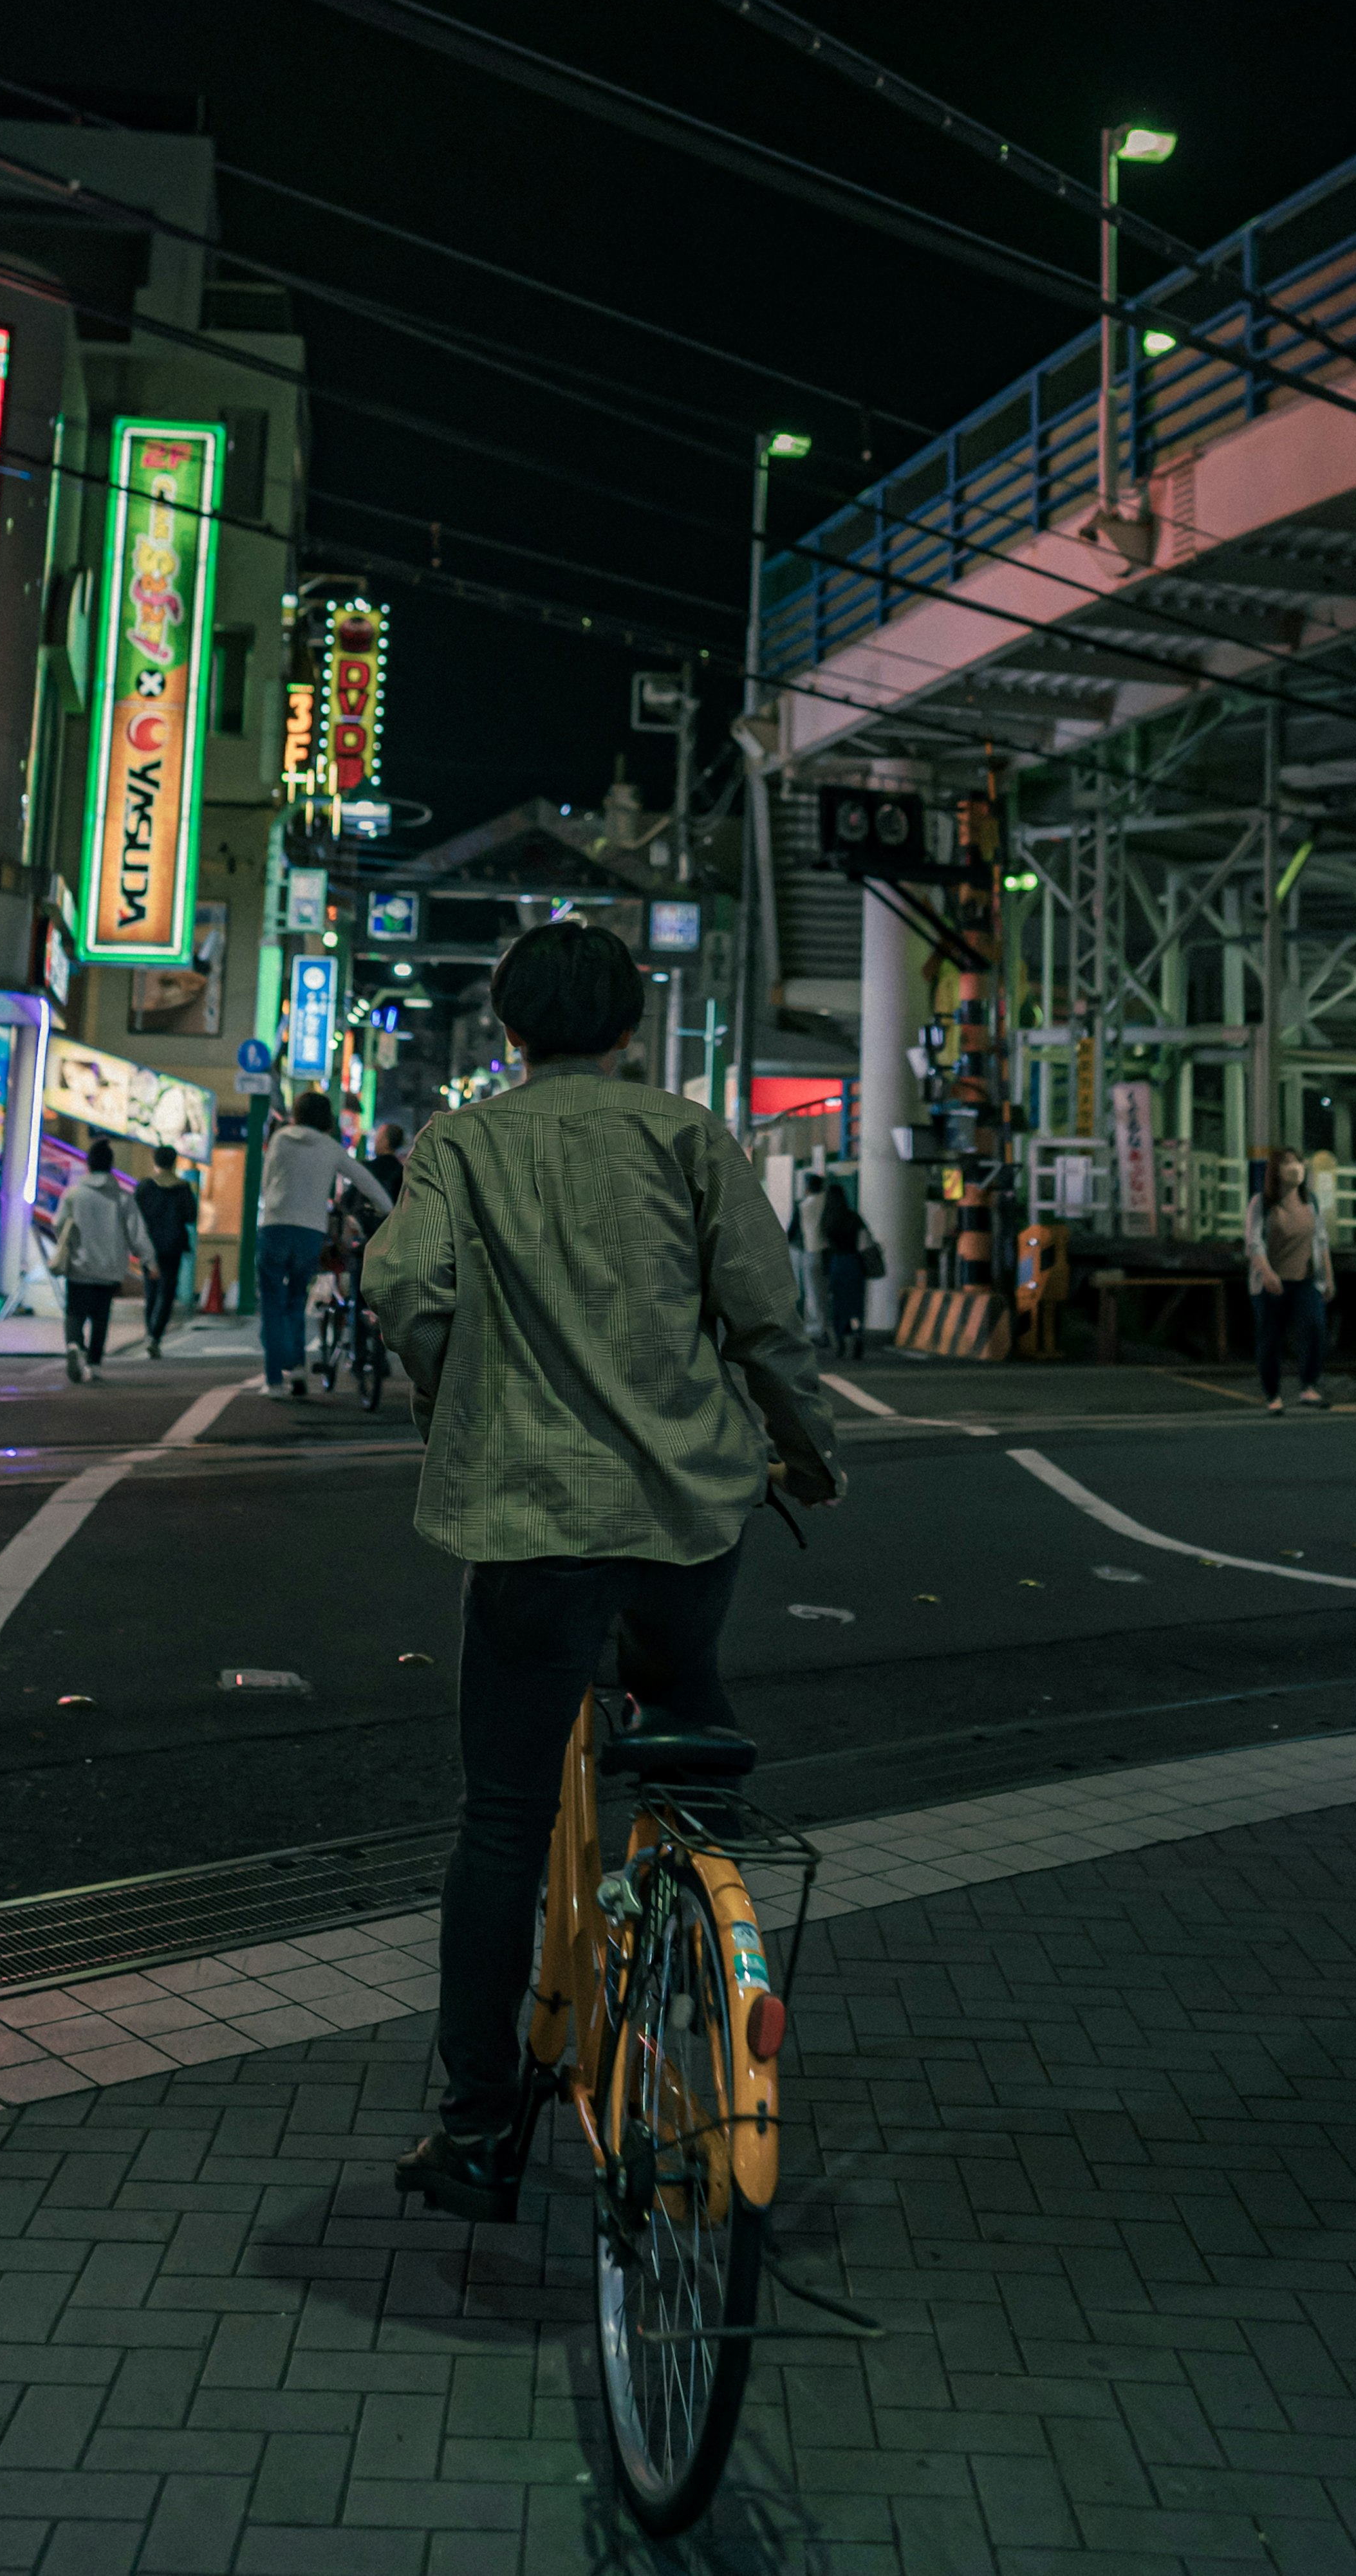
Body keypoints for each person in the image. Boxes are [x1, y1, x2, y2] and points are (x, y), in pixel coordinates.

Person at [365, 917, 842, 2222]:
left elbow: (407, 1288)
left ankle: (473, 2131)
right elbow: (765, 1319)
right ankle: (698, 1919)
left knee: (504, 1820)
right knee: (686, 1697)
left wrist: (450, 1394)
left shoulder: (462, 1142)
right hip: (687, 1510)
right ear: (631, 1025)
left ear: (509, 1029)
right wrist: (808, 1453)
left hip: (527, 1524)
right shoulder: (690, 1136)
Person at [257, 1089, 391, 1395]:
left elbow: (267, 1184)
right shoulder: (331, 1148)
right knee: (295, 1302)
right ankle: (298, 1368)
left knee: (273, 1303)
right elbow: (364, 1179)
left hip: (275, 1227)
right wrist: (390, 1210)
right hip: (309, 1233)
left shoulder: (280, 1140)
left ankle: (275, 1380)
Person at [47, 1137, 147, 1380]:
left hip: (79, 1266)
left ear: (89, 1165)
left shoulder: (74, 1195)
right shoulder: (123, 1198)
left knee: (75, 1312)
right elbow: (137, 1233)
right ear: (111, 1166)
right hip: (109, 1269)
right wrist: (149, 1261)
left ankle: (73, 1345)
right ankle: (94, 1365)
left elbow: (58, 1224)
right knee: (101, 1318)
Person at [1247, 1145, 1332, 1411]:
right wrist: (1267, 1273)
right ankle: (1272, 1394)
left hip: (1306, 1280)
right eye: (1288, 1163)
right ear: (1276, 1171)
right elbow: (1253, 1244)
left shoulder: (1311, 1201)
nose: (1296, 1168)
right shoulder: (1261, 1203)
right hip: (1272, 1284)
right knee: (1271, 1338)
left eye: (1298, 1162)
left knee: (1315, 1328)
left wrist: (1329, 1277)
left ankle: (1308, 1387)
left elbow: (1321, 1241)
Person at [133, 1143, 201, 1355]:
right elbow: (191, 1216)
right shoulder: (183, 1188)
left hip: (149, 1247)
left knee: (151, 1291)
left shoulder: (145, 1187)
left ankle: (150, 1333)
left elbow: (136, 1217)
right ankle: (155, 1335)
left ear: (155, 1160)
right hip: (173, 1247)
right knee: (168, 1292)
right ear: (174, 1162)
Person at [819, 1163, 871, 1359]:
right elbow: (866, 1240)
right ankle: (857, 1333)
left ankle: (841, 1342)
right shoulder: (853, 1217)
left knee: (839, 1305)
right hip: (854, 1263)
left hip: (837, 1264)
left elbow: (824, 1245)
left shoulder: (827, 1220)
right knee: (855, 1305)